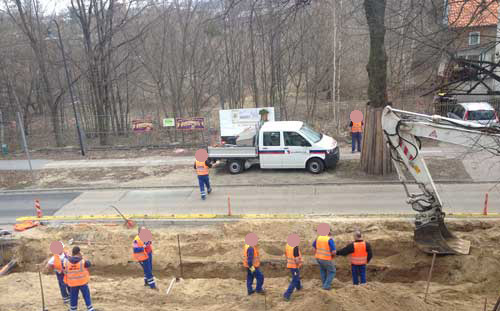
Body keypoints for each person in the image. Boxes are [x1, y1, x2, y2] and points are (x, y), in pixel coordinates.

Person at [64, 246, 95, 311]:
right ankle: (90, 308)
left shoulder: (67, 262)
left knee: (73, 297)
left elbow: (64, 268)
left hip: (72, 284)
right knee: (86, 296)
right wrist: (83, 257)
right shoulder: (83, 262)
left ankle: (73, 309)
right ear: (79, 253)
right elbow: (89, 264)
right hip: (82, 283)